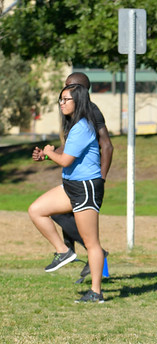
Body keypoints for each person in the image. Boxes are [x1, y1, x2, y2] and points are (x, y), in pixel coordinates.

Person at [29, 83, 107, 303]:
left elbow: (64, 159)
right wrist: (46, 156)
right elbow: (65, 154)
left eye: (66, 99)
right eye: (60, 100)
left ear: (78, 101)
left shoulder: (83, 126)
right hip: (71, 186)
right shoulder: (75, 127)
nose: (61, 103)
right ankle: (64, 251)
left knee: (92, 243)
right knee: (37, 210)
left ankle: (96, 292)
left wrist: (49, 152)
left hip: (85, 188)